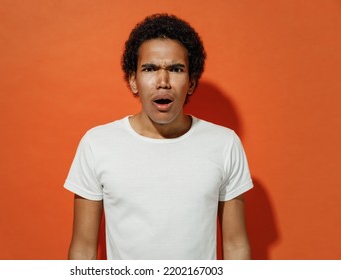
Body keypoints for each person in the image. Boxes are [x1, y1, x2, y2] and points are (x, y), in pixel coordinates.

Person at [64, 13, 253, 260]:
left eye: (176, 69)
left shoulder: (224, 143)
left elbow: (236, 245)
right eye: (150, 69)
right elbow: (83, 248)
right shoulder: (97, 144)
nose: (163, 82)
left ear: (192, 82)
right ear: (133, 80)